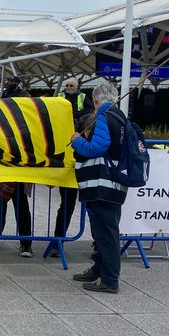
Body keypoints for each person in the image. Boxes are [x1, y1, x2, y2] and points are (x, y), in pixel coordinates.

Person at [70, 82, 126, 294]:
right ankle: (99, 269)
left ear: (95, 100)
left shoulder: (105, 115)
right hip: (112, 183)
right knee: (103, 231)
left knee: (106, 233)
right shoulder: (119, 116)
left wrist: (77, 141)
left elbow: (97, 148)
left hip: (103, 183)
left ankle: (109, 280)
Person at [0, 76, 34, 257]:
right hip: (2, 167)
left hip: (19, 168)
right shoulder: (0, 119)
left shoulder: (29, 125)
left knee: (21, 207)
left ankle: (26, 242)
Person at [50, 77, 94, 256]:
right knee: (67, 205)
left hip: (84, 165)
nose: (68, 88)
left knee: (90, 206)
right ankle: (57, 241)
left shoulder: (86, 108)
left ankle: (98, 244)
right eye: (67, 85)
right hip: (67, 163)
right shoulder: (59, 97)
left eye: (72, 86)